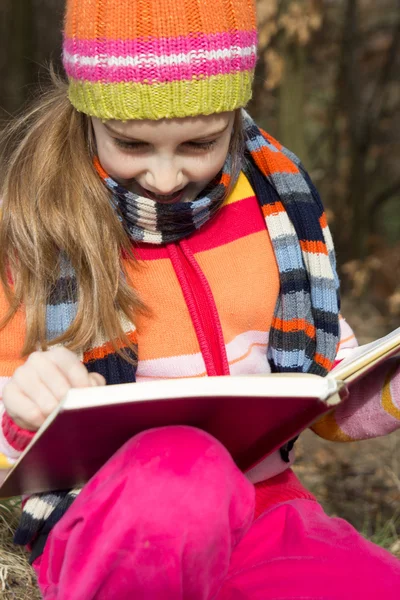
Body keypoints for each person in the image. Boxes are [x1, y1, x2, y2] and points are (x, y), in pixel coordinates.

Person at [0, 0, 399, 597]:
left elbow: (326, 396)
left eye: (199, 144)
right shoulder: (42, 232)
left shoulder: (280, 215)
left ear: (235, 118)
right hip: (118, 522)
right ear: (88, 117)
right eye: (132, 145)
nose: (165, 179)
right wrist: (22, 410)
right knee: (185, 472)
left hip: (263, 511)